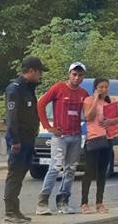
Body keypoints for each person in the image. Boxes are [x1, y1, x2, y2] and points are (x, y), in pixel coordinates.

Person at [36, 62, 89, 215]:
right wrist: (48, 126)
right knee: (55, 167)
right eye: (74, 74)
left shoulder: (83, 94)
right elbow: (41, 104)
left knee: (71, 169)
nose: (77, 78)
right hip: (60, 136)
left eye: (80, 75)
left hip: (76, 135)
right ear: (69, 74)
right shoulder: (58, 88)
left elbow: (89, 112)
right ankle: (42, 202)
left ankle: (63, 201)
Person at [2, 56, 47, 224]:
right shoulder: (15, 90)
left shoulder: (28, 89)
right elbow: (12, 118)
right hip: (18, 140)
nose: (40, 75)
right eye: (40, 71)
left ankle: (16, 209)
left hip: (28, 139)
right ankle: (10, 212)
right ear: (32, 70)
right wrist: (15, 140)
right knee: (14, 174)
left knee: (21, 174)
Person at [80, 78, 118, 214]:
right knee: (90, 171)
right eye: (101, 87)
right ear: (95, 88)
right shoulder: (88, 100)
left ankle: (99, 203)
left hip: (108, 138)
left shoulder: (110, 101)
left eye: (106, 87)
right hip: (94, 138)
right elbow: (88, 116)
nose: (104, 90)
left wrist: (111, 121)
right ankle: (84, 203)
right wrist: (95, 99)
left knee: (102, 171)